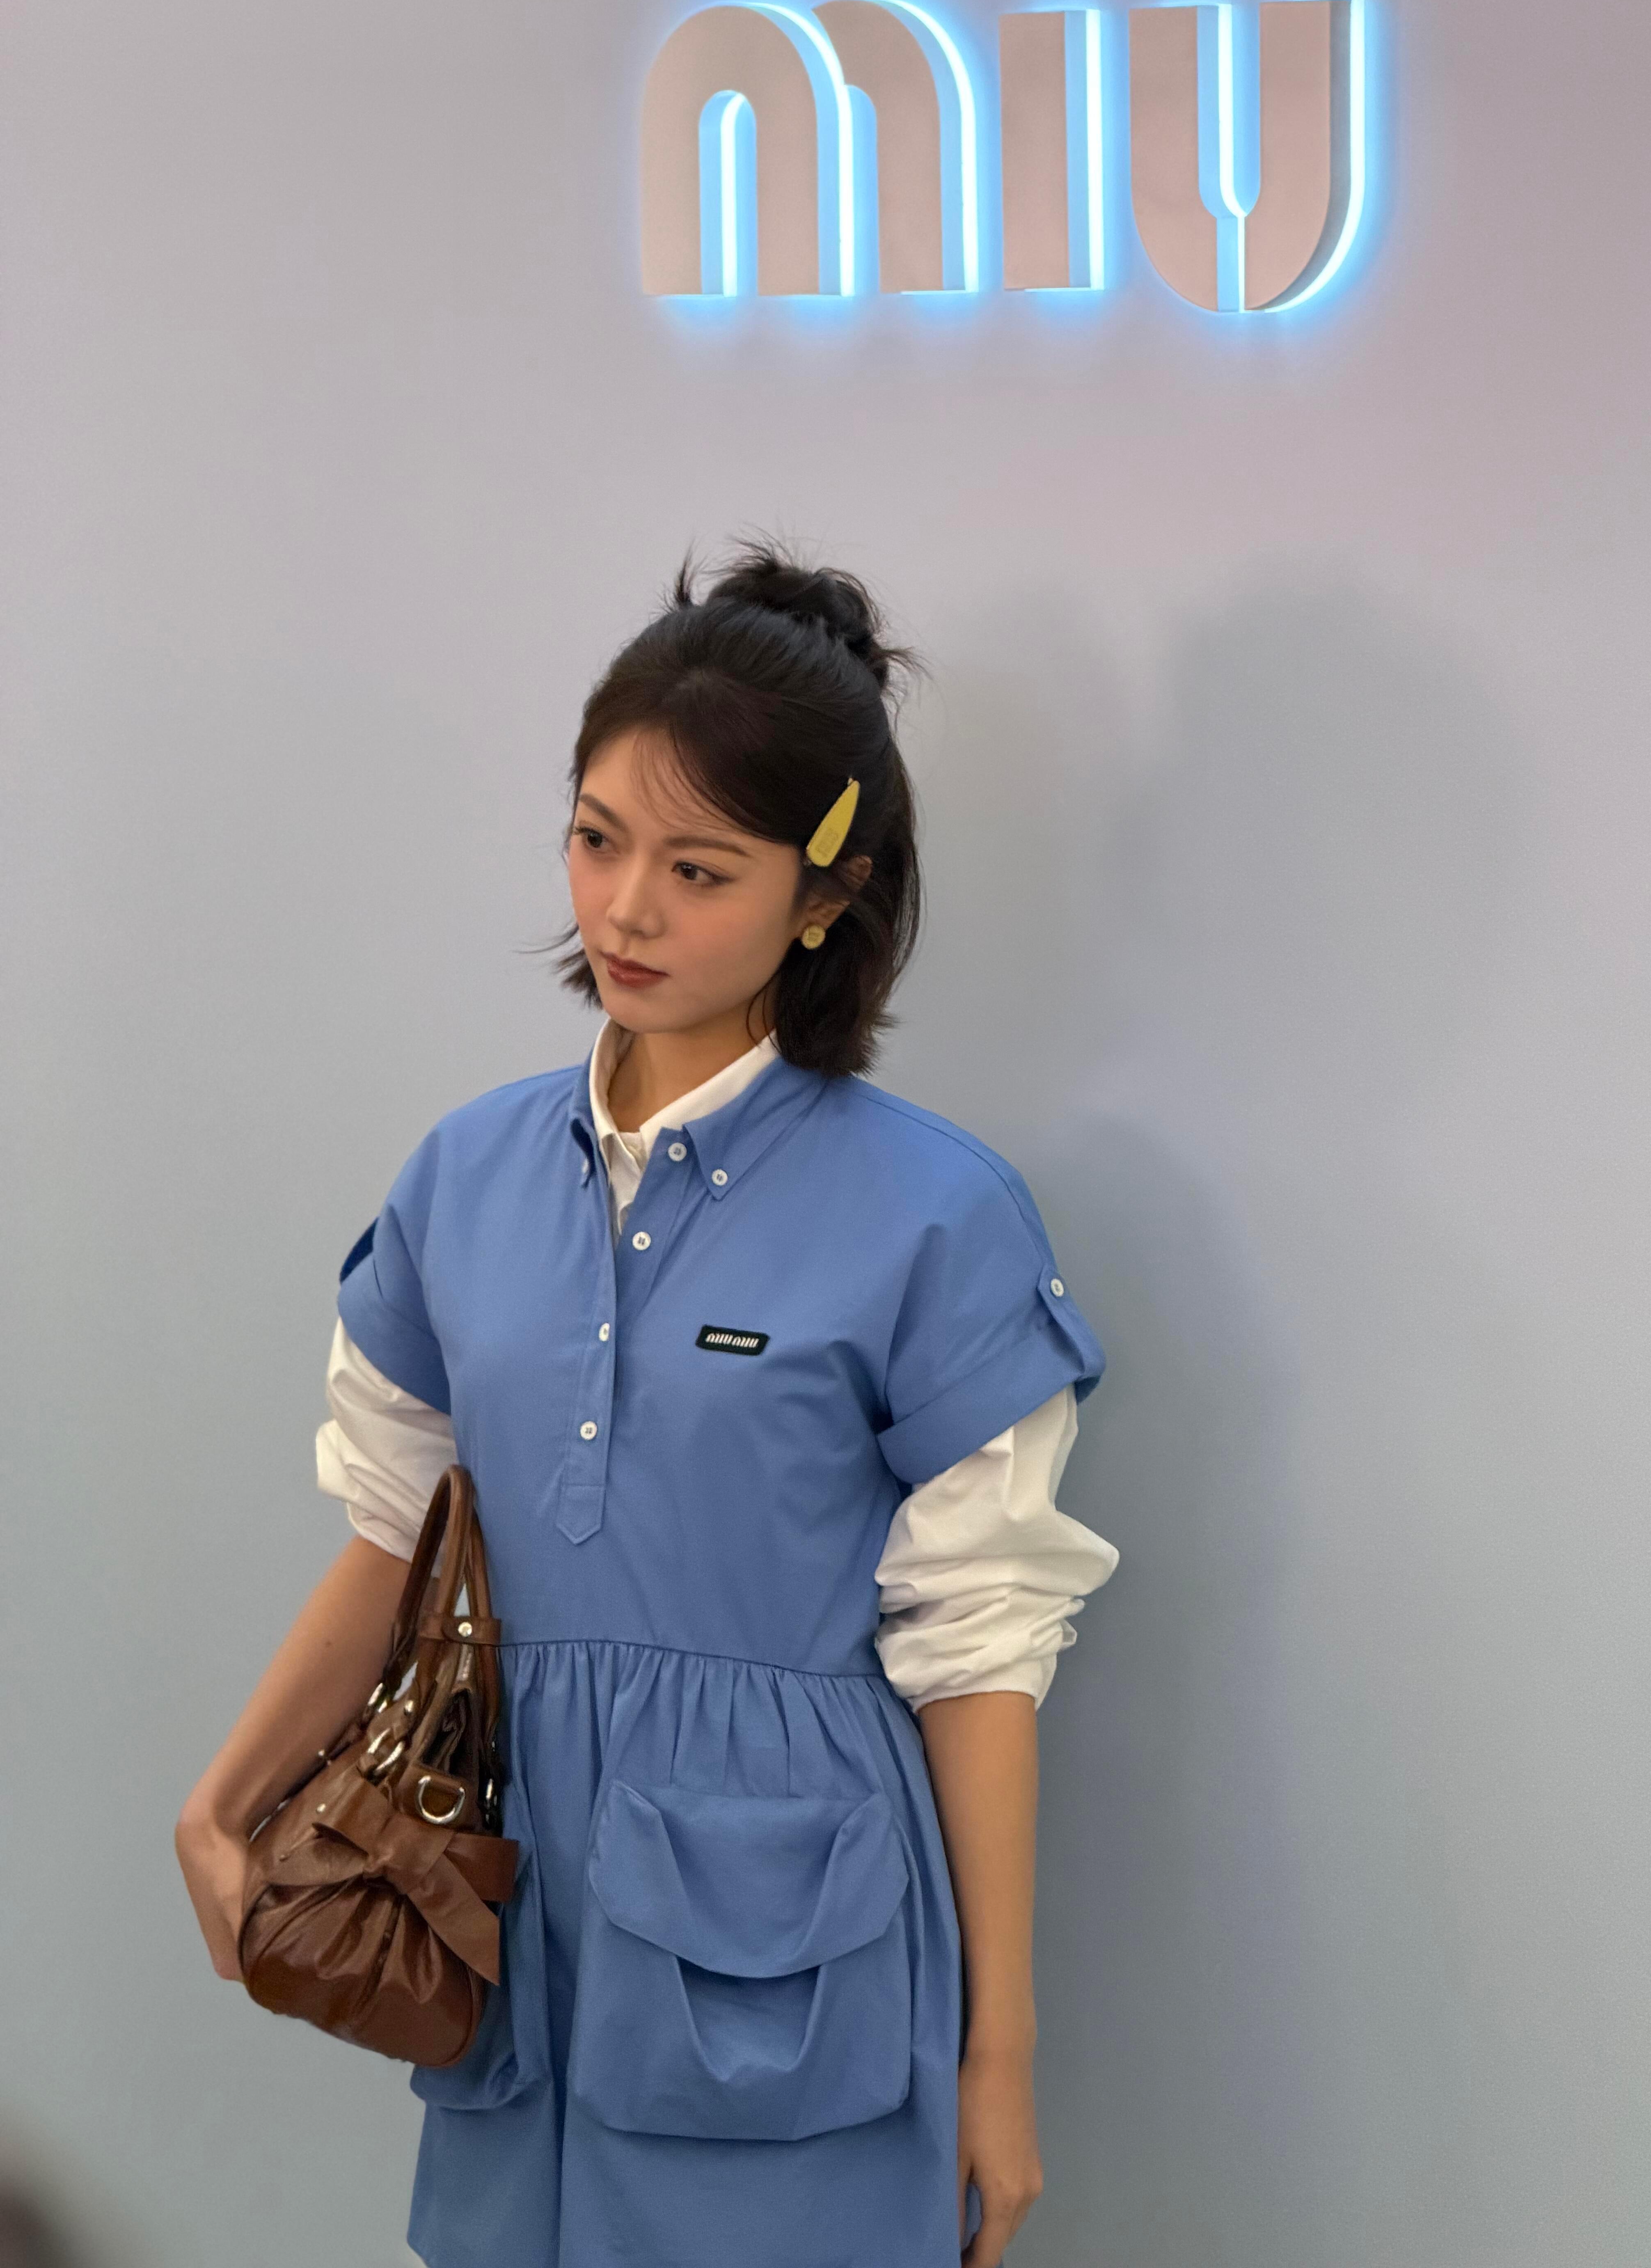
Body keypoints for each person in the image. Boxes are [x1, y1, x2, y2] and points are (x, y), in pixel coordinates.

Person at [175, 543, 1121, 2268]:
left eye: (699, 870)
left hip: (789, 1951)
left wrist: (1000, 2055)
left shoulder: (934, 1215)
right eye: (598, 839)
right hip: (514, 1922)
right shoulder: (464, 1178)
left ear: (823, 897)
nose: (626, 911)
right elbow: (396, 1533)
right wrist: (223, 1799)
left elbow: (981, 1656)